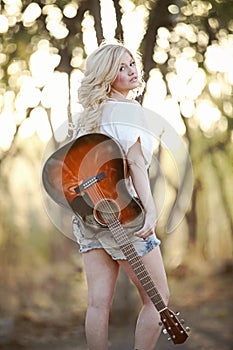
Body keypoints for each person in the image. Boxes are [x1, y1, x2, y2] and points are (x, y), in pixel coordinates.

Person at [72, 42, 170, 350]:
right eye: (121, 68)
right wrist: (150, 212)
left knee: (98, 305)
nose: (131, 71)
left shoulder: (88, 117)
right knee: (159, 300)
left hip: (88, 218)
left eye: (132, 64)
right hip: (124, 216)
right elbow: (136, 165)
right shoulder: (129, 110)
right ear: (106, 76)